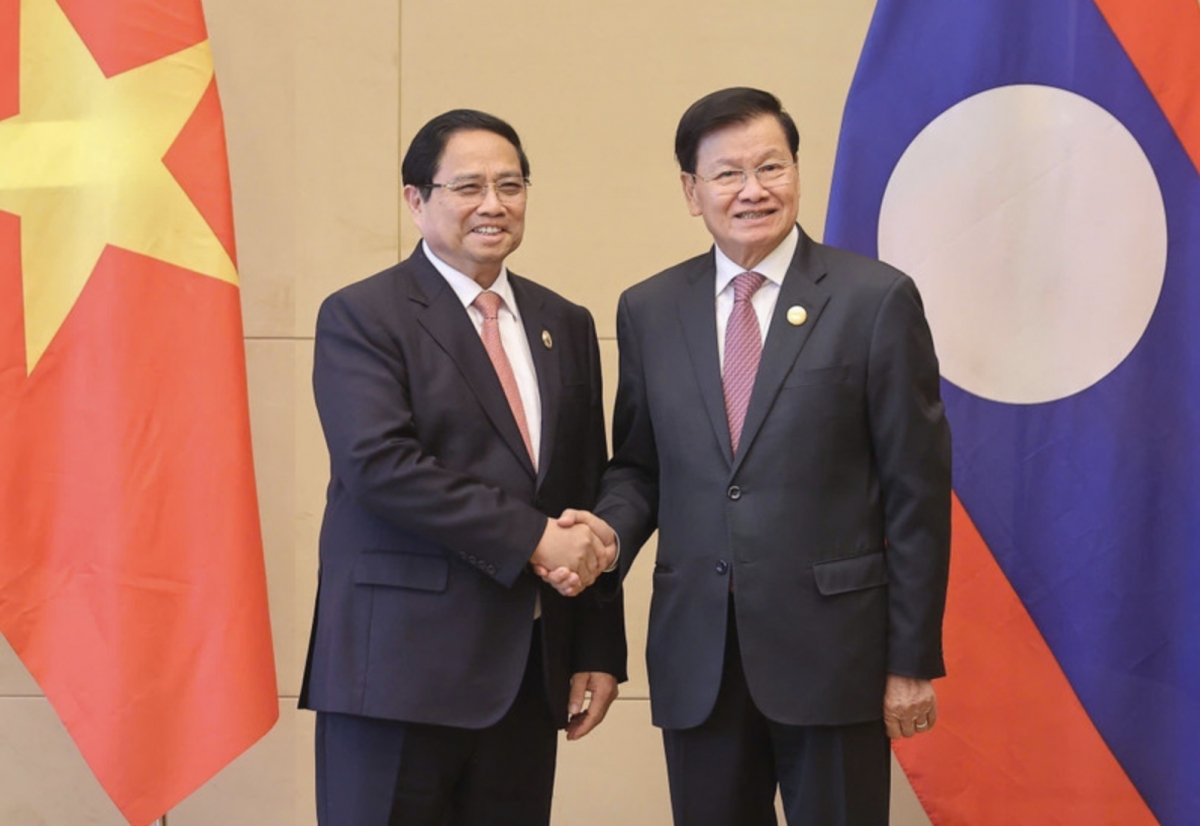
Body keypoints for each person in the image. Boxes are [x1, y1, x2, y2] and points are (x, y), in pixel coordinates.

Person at [565, 87, 951, 825]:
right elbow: (640, 466)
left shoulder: (874, 300)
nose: (752, 190)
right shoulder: (649, 308)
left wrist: (910, 661)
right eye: (728, 173)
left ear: (797, 173)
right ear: (691, 191)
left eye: (771, 167)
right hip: (697, 654)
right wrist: (606, 534)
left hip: (836, 654)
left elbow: (918, 494)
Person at [299, 109, 626, 826]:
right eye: (468, 186)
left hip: (526, 676)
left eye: (511, 185)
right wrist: (535, 538)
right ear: (416, 201)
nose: (493, 204)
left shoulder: (564, 322)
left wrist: (598, 646)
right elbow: (381, 466)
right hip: (395, 677)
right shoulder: (363, 315)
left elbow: (583, 489)